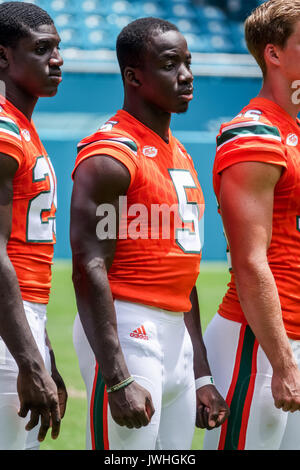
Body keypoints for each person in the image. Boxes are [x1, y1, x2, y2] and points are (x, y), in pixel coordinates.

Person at [71, 17, 229, 450]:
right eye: (170, 63)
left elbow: (184, 273)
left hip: (175, 333)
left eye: (188, 63)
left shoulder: (179, 154)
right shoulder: (111, 154)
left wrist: (201, 372)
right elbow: (88, 265)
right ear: (133, 76)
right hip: (126, 325)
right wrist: (117, 376)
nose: (186, 75)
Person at [203, 0, 300, 451]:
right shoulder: (255, 133)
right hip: (258, 341)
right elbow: (248, 259)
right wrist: (281, 362)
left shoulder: (292, 130)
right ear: (273, 53)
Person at [0, 1, 67, 450]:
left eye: (58, 48)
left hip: (21, 321)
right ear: (3, 57)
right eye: (42, 49)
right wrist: (29, 361)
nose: (57, 60)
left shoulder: (22, 126)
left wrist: (45, 355)